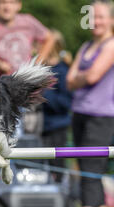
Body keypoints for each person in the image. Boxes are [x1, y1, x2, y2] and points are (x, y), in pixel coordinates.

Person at [66, 0, 114, 207]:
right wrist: (83, 76)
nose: (95, 22)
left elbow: (93, 76)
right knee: (89, 169)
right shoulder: (87, 45)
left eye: (100, 17)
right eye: (91, 17)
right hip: (80, 113)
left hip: (102, 116)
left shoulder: (113, 45)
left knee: (90, 169)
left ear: (111, 20)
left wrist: (82, 76)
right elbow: (70, 81)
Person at [40, 30, 73, 182]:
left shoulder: (63, 71)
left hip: (56, 126)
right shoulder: (39, 70)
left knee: (57, 166)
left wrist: (44, 94)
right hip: (39, 127)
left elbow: (66, 103)